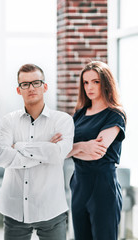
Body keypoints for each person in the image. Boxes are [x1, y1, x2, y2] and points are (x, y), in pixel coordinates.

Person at [0, 64, 74, 240]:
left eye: (36, 83)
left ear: (45, 86)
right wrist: (45, 149)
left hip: (51, 209)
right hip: (14, 210)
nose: (31, 88)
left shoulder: (63, 120)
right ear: (18, 89)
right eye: (25, 84)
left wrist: (20, 146)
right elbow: (1, 157)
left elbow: (57, 154)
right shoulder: (8, 121)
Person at [67, 61, 126, 240]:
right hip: (79, 185)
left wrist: (72, 149)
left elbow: (97, 152)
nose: (89, 87)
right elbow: (60, 149)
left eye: (95, 82)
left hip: (102, 187)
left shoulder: (115, 115)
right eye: (85, 82)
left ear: (106, 83)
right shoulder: (79, 114)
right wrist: (83, 146)